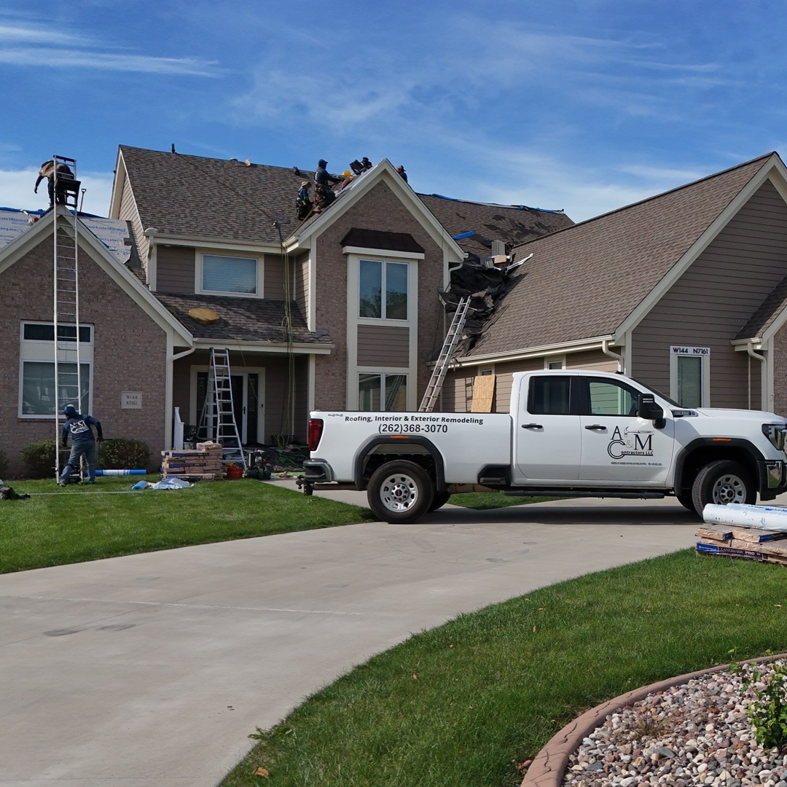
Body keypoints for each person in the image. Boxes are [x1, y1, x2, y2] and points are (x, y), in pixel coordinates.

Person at [59, 404, 103, 486]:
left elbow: (64, 437)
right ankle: (91, 480)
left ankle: (63, 480)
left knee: (71, 463)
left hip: (78, 443)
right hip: (90, 442)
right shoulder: (85, 417)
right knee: (90, 462)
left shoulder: (67, 424)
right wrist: (100, 436)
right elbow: (97, 423)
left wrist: (64, 444)